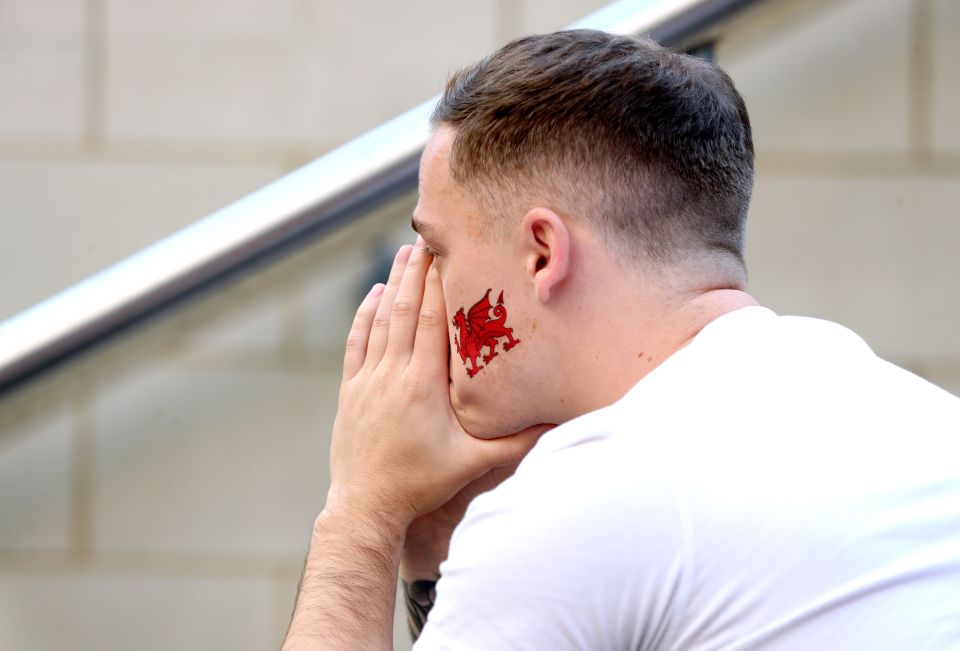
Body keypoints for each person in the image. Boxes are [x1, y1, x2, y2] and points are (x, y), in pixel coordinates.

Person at [281, 30, 960, 650]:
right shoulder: (904, 412)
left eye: (438, 248)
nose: (420, 284)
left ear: (542, 253)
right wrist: (431, 547)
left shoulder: (583, 497)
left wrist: (361, 511)